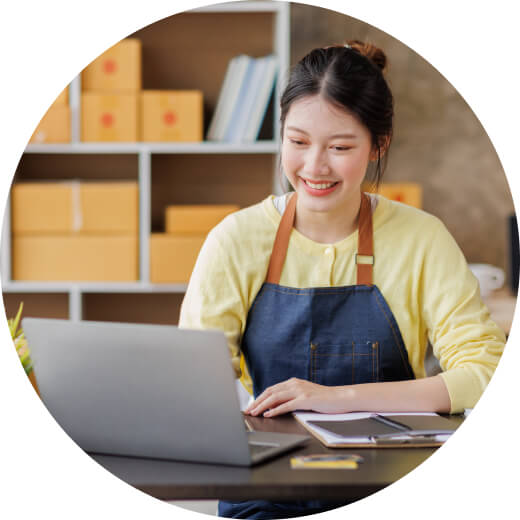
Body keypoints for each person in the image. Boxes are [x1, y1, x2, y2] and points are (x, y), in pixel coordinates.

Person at [179, 40, 505, 519]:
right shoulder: (236, 239)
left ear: (379, 144)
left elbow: (486, 374)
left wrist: (337, 399)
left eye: (340, 147)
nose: (314, 167)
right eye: (298, 142)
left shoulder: (423, 239)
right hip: (264, 489)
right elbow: (195, 372)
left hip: (391, 484)